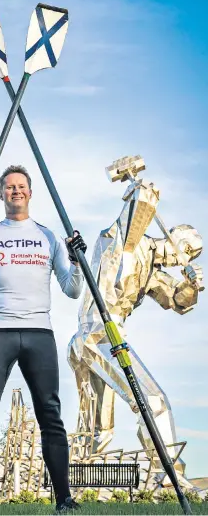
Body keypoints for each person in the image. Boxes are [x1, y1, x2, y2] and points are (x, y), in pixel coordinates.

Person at [0, 165, 87, 513]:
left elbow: (72, 290)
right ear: (1, 194)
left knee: (50, 414)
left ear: (30, 192)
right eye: (9, 187)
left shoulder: (48, 236)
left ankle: (64, 500)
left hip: (39, 332)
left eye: (21, 186)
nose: (15, 191)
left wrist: (76, 260)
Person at [68, 171, 204, 482]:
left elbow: (176, 301)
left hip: (98, 339)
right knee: (152, 401)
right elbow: (137, 212)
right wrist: (143, 188)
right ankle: (168, 476)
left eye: (192, 256)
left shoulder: (153, 270)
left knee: (97, 431)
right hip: (98, 332)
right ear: (173, 235)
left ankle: (76, 486)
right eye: (186, 249)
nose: (183, 258)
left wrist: (191, 287)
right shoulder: (129, 242)